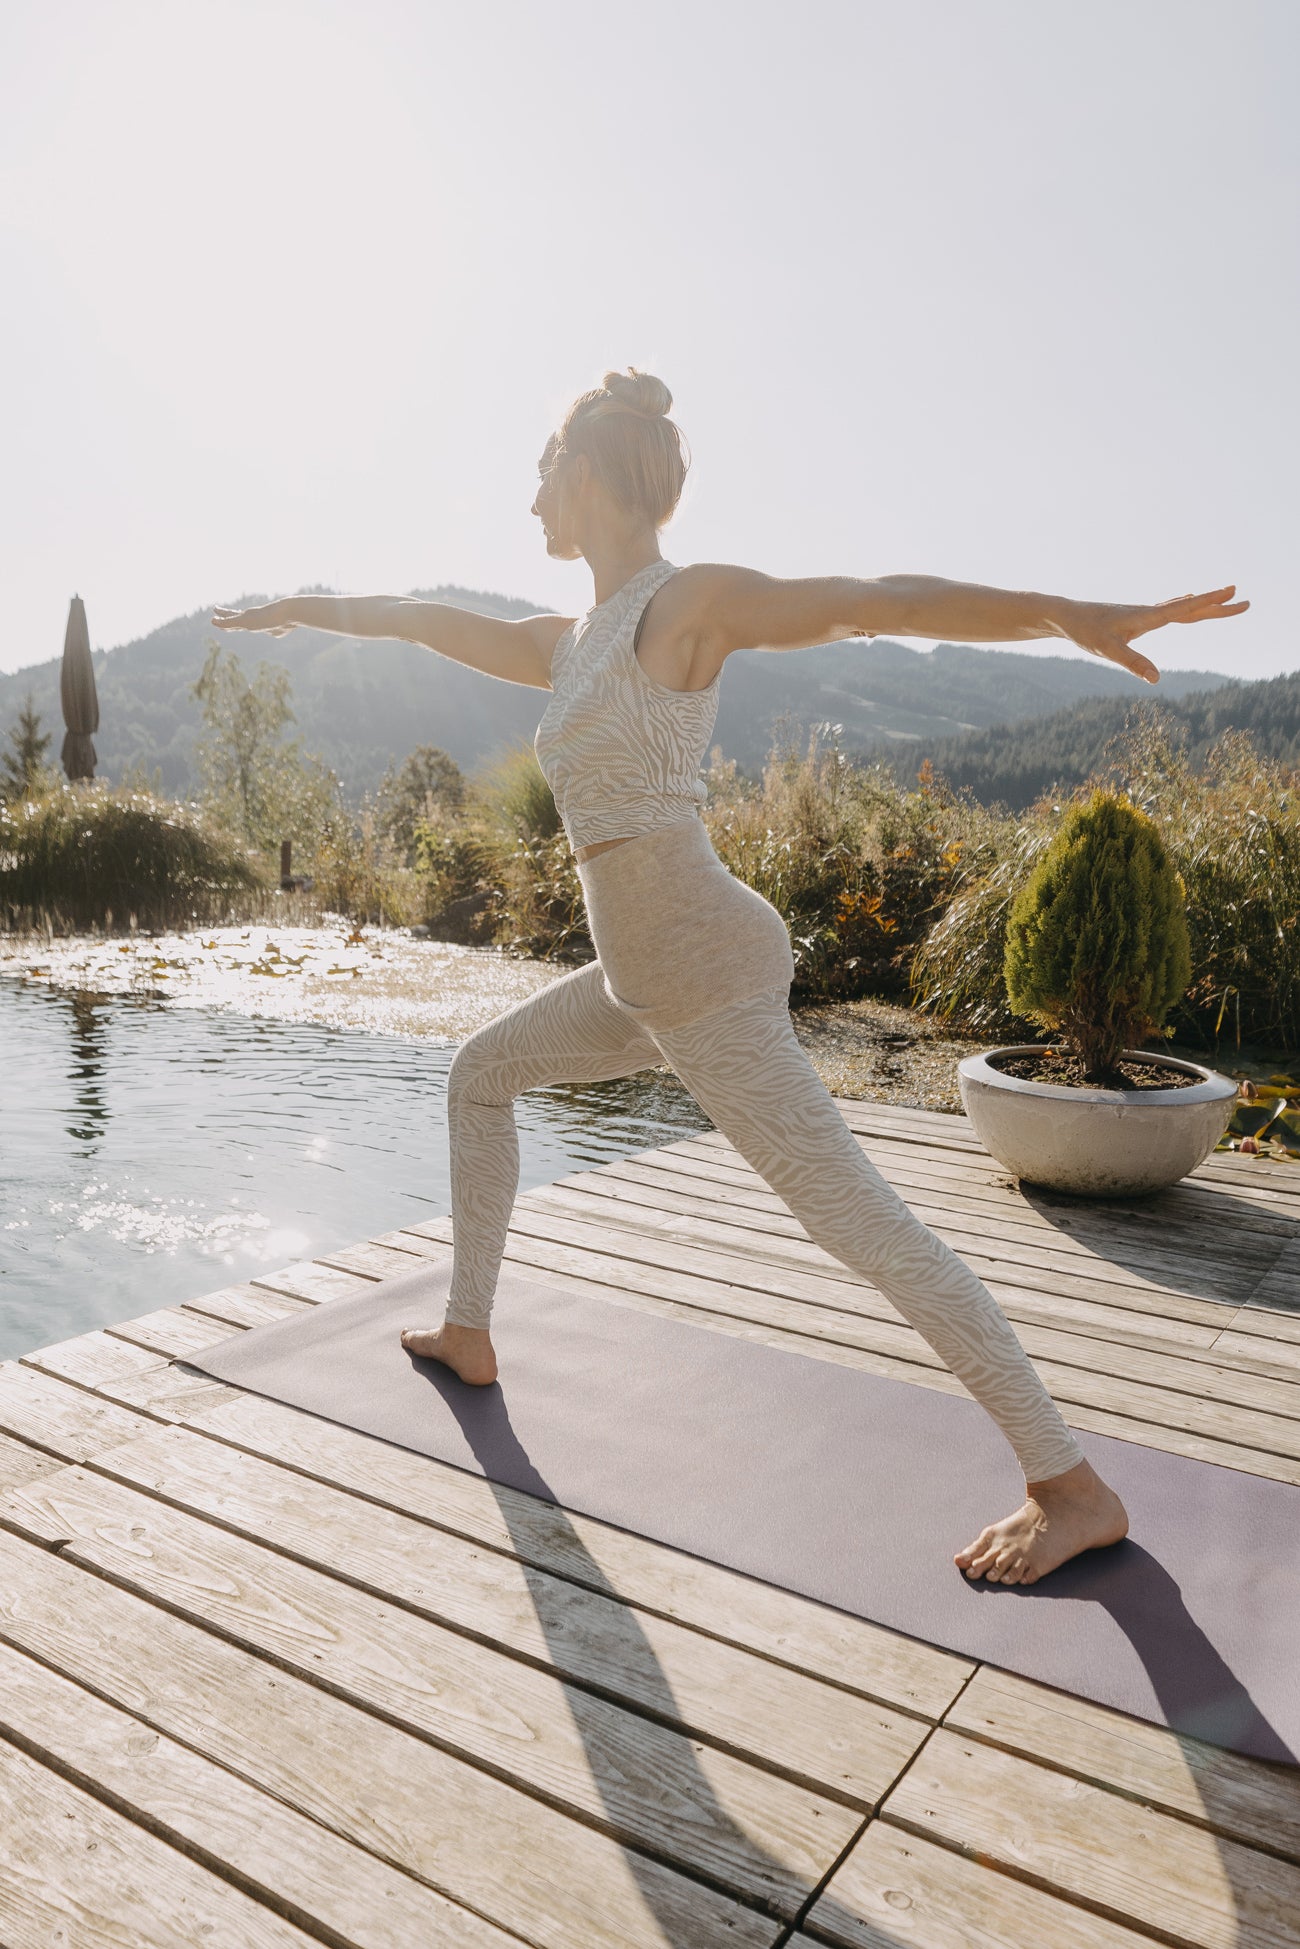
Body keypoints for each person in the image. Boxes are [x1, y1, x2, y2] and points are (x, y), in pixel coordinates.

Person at [212, 366, 1248, 1586]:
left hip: (701, 967)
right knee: (479, 1076)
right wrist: (302, 607)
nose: (529, 498)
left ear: (583, 473)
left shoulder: (685, 603)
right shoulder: (568, 640)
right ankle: (470, 1328)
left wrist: (1066, 613)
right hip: (640, 977)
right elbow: (422, 619)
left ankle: (1069, 1485)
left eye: (541, 472)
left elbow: (872, 600)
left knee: (861, 1224)